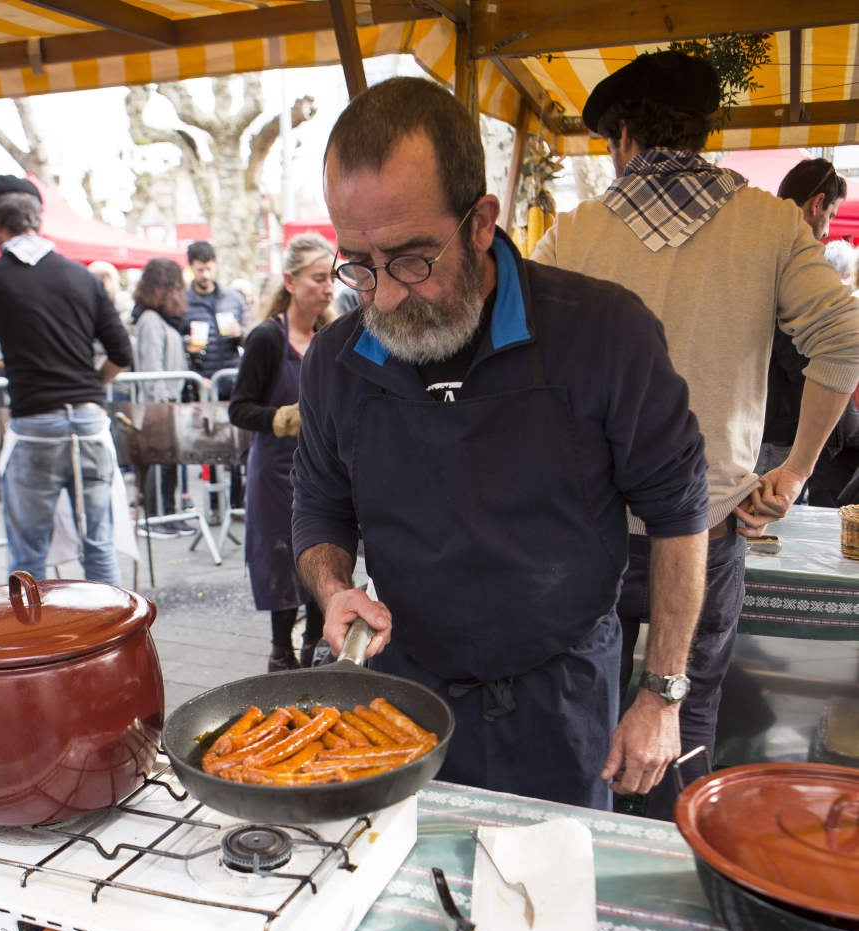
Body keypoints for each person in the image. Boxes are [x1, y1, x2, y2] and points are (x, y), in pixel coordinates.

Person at [291, 76, 710, 812]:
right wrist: (334, 589)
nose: (383, 296)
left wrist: (663, 693)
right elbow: (320, 508)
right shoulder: (334, 361)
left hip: (563, 690)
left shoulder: (603, 332)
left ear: (482, 221)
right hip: (404, 693)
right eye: (358, 263)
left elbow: (679, 512)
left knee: (549, 905)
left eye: (412, 259)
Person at [532, 52, 859, 817]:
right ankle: (672, 872)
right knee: (685, 715)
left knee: (591, 708)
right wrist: (796, 471)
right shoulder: (769, 222)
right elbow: (844, 338)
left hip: (592, 527)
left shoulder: (574, 233)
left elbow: (520, 366)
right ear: (704, 131)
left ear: (622, 136)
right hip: (711, 525)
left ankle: (589, 848)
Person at [0, 175, 133, 584]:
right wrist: (92, 386)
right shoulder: (83, 276)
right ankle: (111, 644)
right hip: (89, 424)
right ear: (38, 220)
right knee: (99, 546)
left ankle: (32, 645)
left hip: (36, 426)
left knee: (28, 553)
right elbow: (122, 354)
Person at [229, 234, 335, 671]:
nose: (328, 288)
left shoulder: (331, 336)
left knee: (323, 555)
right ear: (291, 281)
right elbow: (239, 408)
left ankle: (314, 647)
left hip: (321, 470)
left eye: (331, 278)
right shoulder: (266, 340)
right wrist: (280, 418)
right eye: (318, 278)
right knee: (280, 561)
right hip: (275, 472)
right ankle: (282, 657)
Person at [757, 160, 859, 505]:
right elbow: (837, 343)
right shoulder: (792, 258)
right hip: (778, 433)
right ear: (816, 205)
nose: (828, 227)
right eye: (830, 213)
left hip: (753, 425)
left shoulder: (758, 246)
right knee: (768, 533)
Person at [184, 240, 248, 517]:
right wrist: (193, 362)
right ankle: (213, 506)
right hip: (203, 382)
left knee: (234, 442)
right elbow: (180, 343)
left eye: (209, 269)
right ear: (192, 268)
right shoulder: (183, 301)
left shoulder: (233, 298)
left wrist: (239, 333)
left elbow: (248, 334)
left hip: (231, 379)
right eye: (200, 270)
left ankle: (235, 501)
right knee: (210, 445)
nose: (205, 275)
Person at [131, 257, 195, 539]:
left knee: (170, 462)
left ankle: (170, 514)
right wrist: (158, 404)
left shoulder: (163, 320)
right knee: (159, 462)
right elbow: (151, 366)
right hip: (159, 402)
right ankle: (157, 518)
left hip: (170, 400)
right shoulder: (149, 320)